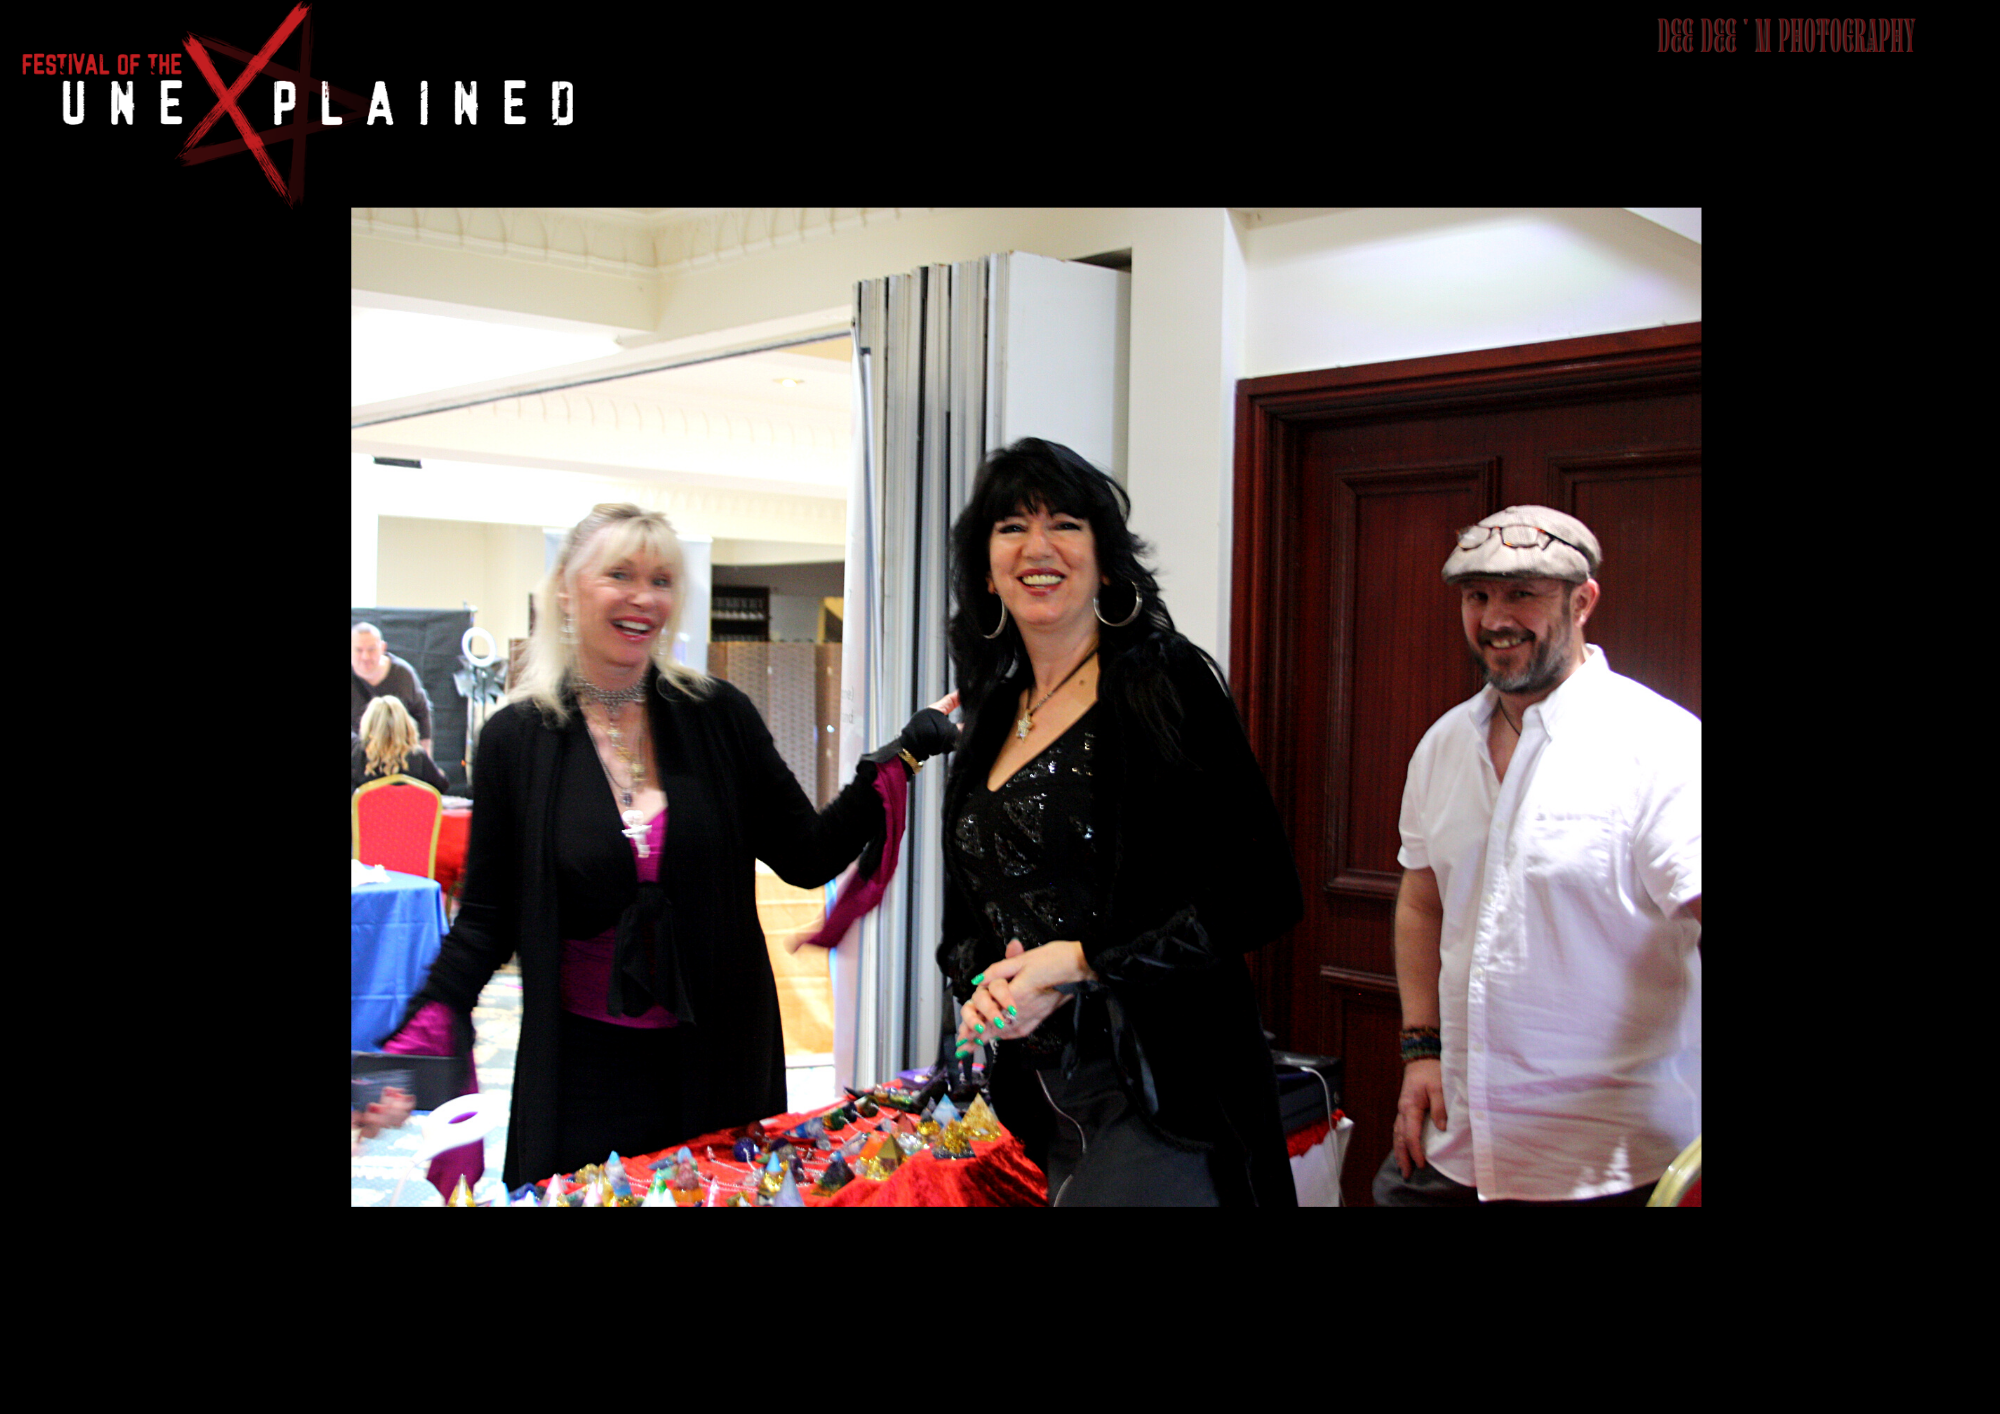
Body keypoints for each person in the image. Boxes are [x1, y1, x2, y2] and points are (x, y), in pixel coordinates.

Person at [378, 503, 957, 1192]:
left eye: (660, 580)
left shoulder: (719, 717)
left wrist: (901, 756)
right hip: (581, 1076)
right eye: (619, 574)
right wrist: (418, 1036)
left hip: (718, 1064)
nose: (643, 598)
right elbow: (486, 919)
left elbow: (806, 855)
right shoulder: (516, 740)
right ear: (566, 589)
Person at [939, 439, 1303, 1206]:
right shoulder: (993, 711)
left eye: (1065, 524)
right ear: (986, 571)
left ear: (1107, 563)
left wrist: (1078, 962)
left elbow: (1263, 890)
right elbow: (966, 920)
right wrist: (987, 987)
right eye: (1012, 527)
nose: (1038, 547)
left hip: (1163, 1088)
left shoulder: (1162, 682)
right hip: (1040, 1096)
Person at [1377, 506, 1702, 1206]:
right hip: (1453, 1140)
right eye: (1477, 596)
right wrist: (1420, 1051)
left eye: (1522, 593)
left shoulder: (1661, 746)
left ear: (1582, 602)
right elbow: (1423, 901)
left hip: (1608, 1161)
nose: (1495, 618)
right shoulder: (1443, 744)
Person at [351, 623, 435, 757]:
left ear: (382, 647)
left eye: (371, 649)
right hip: (356, 756)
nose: (365, 656)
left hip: (399, 755)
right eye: (358, 650)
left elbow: (422, 713)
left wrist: (425, 756)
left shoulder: (402, 674)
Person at [352, 695, 451, 794]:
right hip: (410, 805)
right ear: (405, 723)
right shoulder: (417, 755)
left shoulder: (357, 753)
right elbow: (442, 786)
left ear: (368, 723)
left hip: (369, 805)